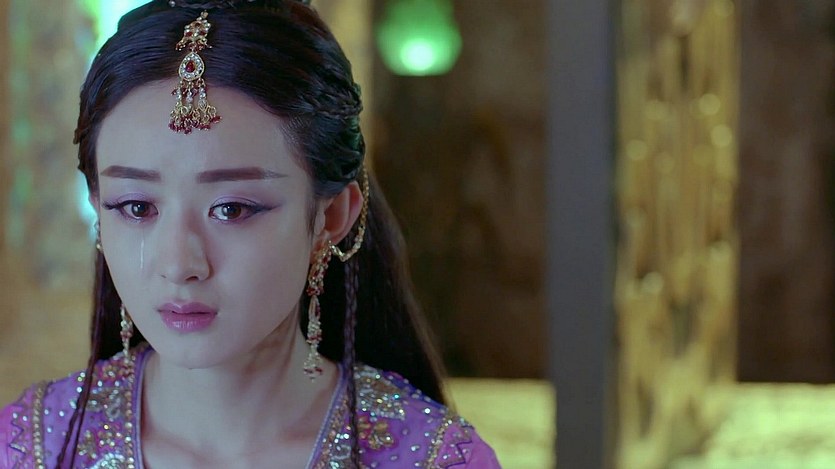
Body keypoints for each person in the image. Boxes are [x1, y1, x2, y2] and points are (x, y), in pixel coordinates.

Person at [0, 0, 501, 467]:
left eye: (232, 209)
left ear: (331, 217)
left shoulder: (433, 458)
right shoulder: (32, 448)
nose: (178, 264)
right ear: (98, 209)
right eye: (136, 207)